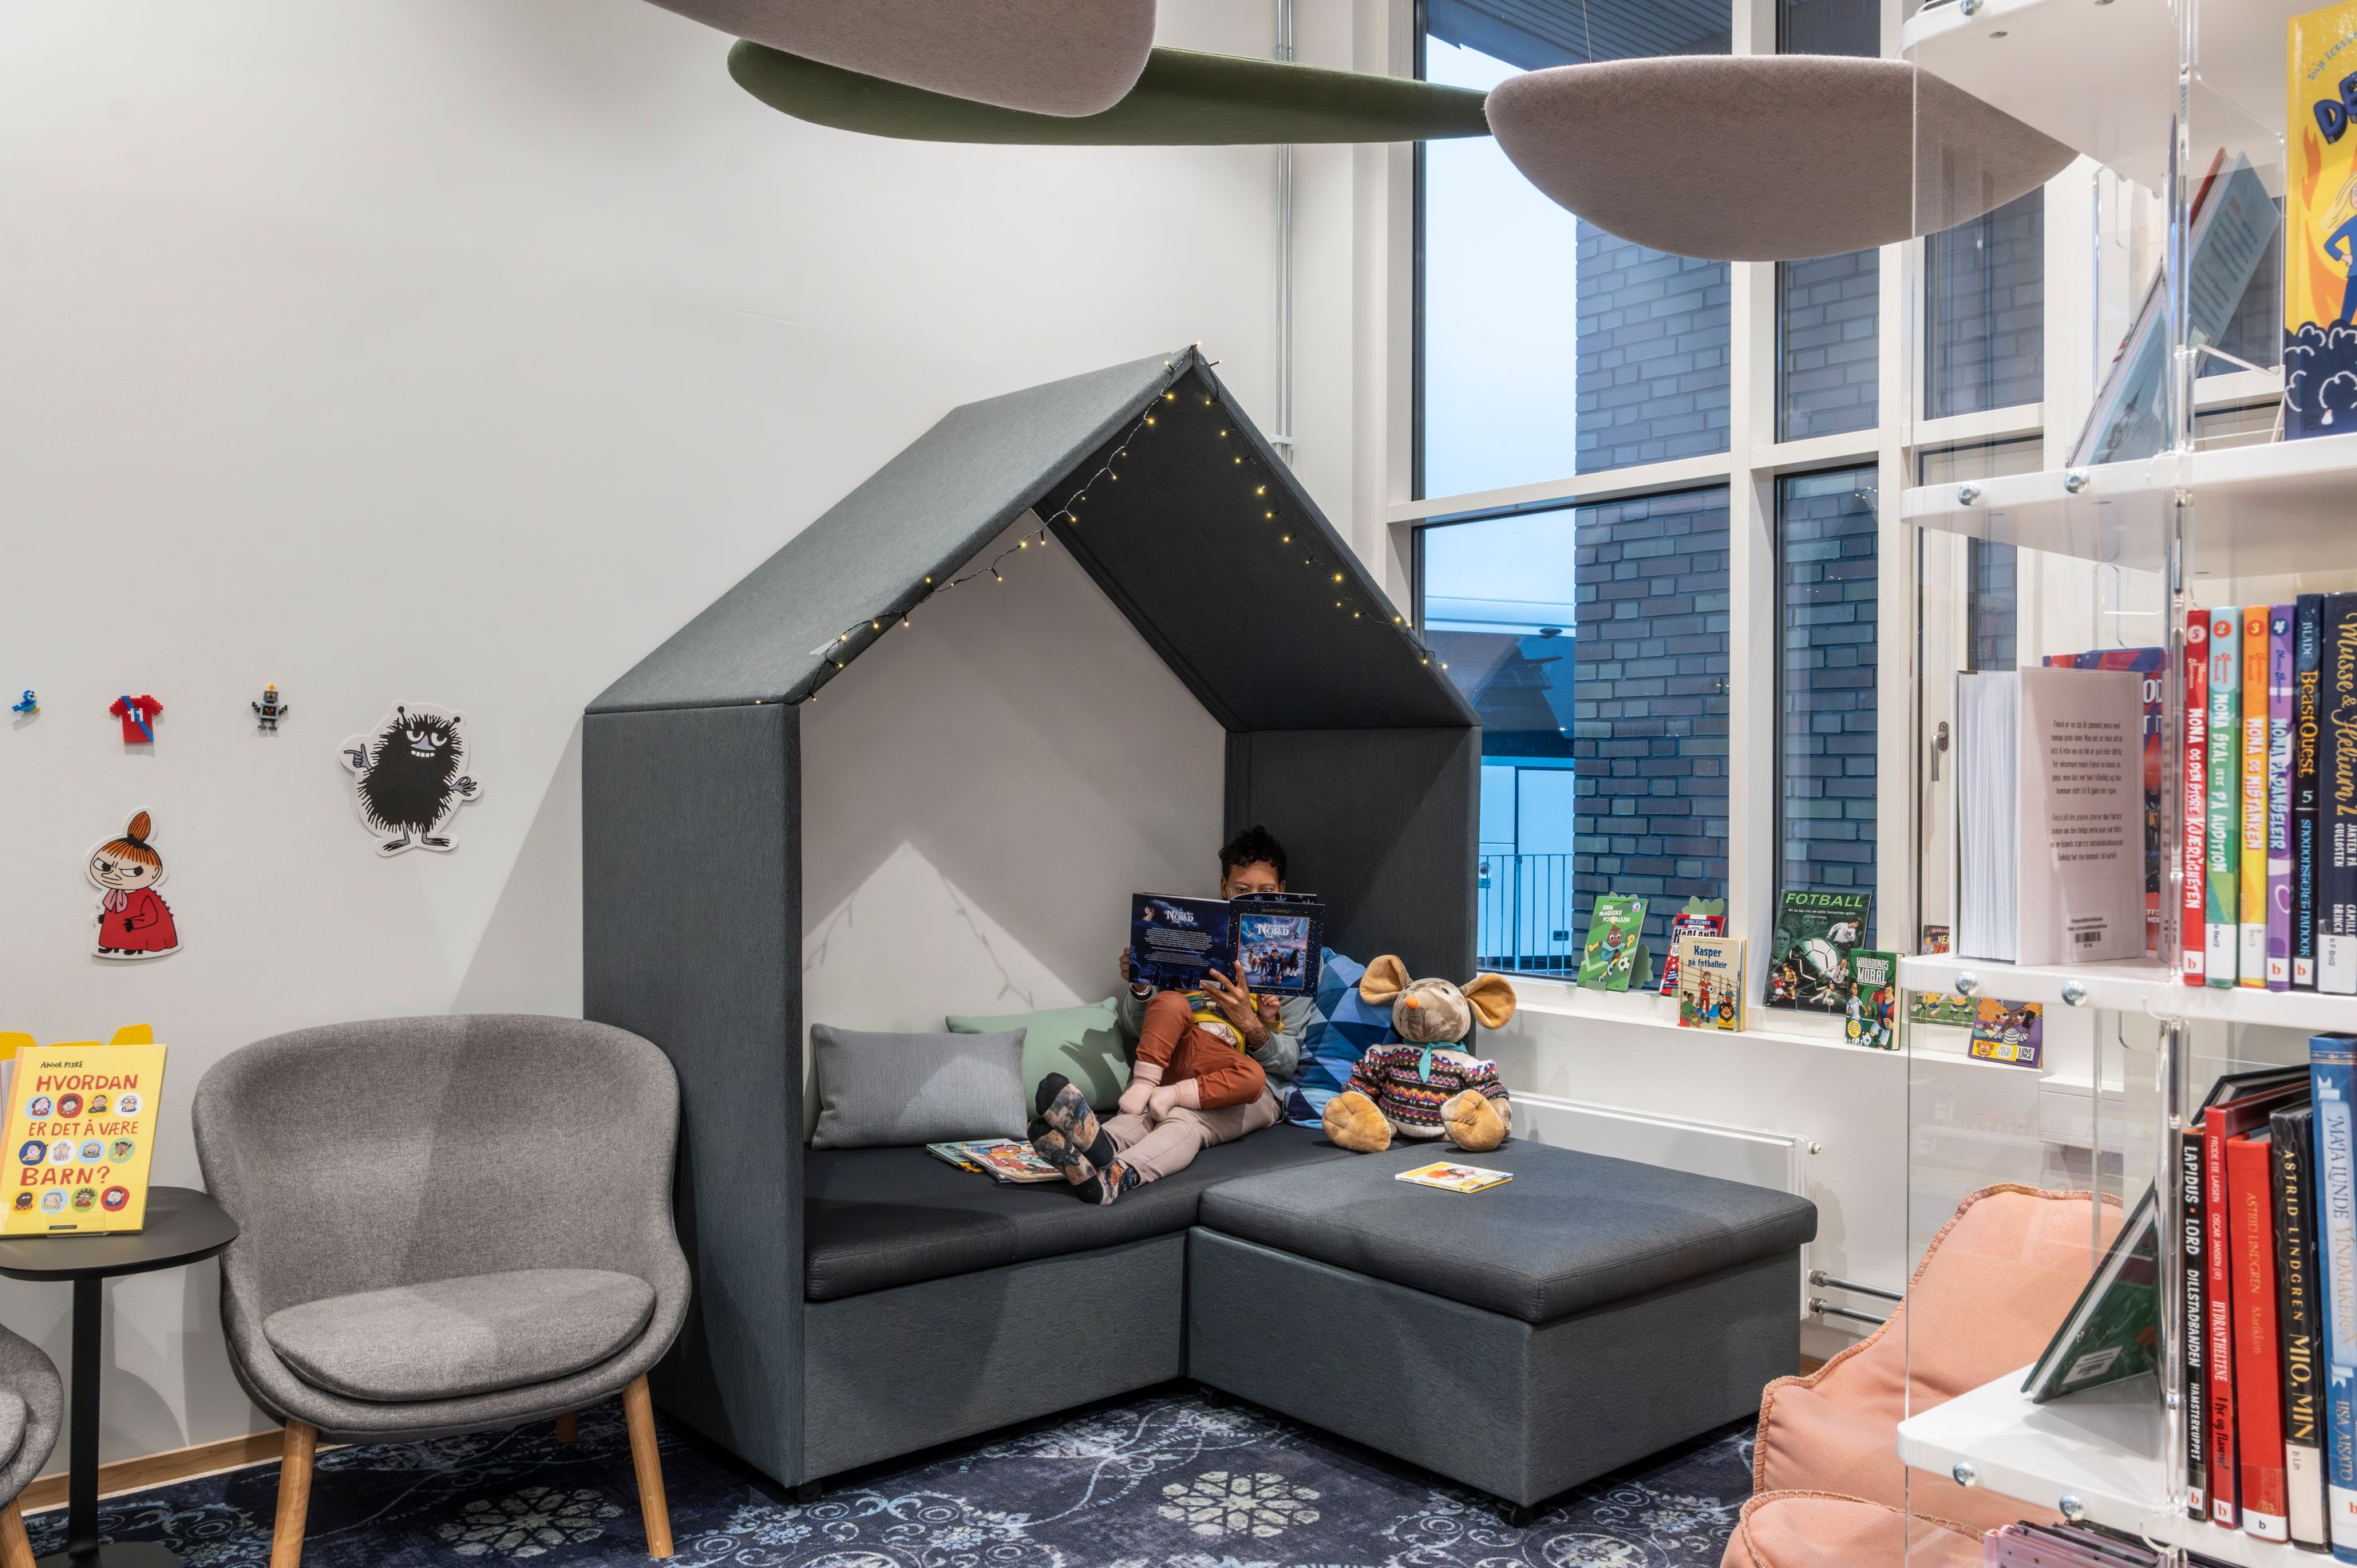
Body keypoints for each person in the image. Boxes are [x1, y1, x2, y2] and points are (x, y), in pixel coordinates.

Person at [1030, 825, 1311, 1205]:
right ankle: (1088, 1143)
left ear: (1280, 891)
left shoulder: (1294, 957)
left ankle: (1117, 1174)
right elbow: (1140, 1028)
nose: (1251, 898)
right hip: (1179, 1059)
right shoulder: (1198, 938)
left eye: (1264, 891)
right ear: (1225, 887)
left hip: (1241, 1080)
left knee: (1185, 1121)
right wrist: (1143, 986)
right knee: (1146, 1107)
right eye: (1242, 890)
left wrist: (1250, 1022)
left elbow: (1289, 1062)